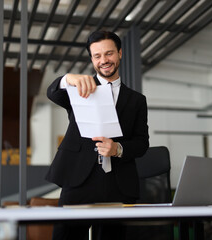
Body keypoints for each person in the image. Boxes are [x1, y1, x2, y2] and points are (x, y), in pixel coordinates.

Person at [46, 30, 149, 240]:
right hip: (78, 178)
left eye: (109, 54)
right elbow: (52, 92)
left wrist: (118, 149)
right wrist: (67, 79)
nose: (104, 60)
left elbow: (142, 142)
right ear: (92, 59)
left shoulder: (137, 100)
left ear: (120, 53)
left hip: (118, 183)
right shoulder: (79, 88)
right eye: (97, 56)